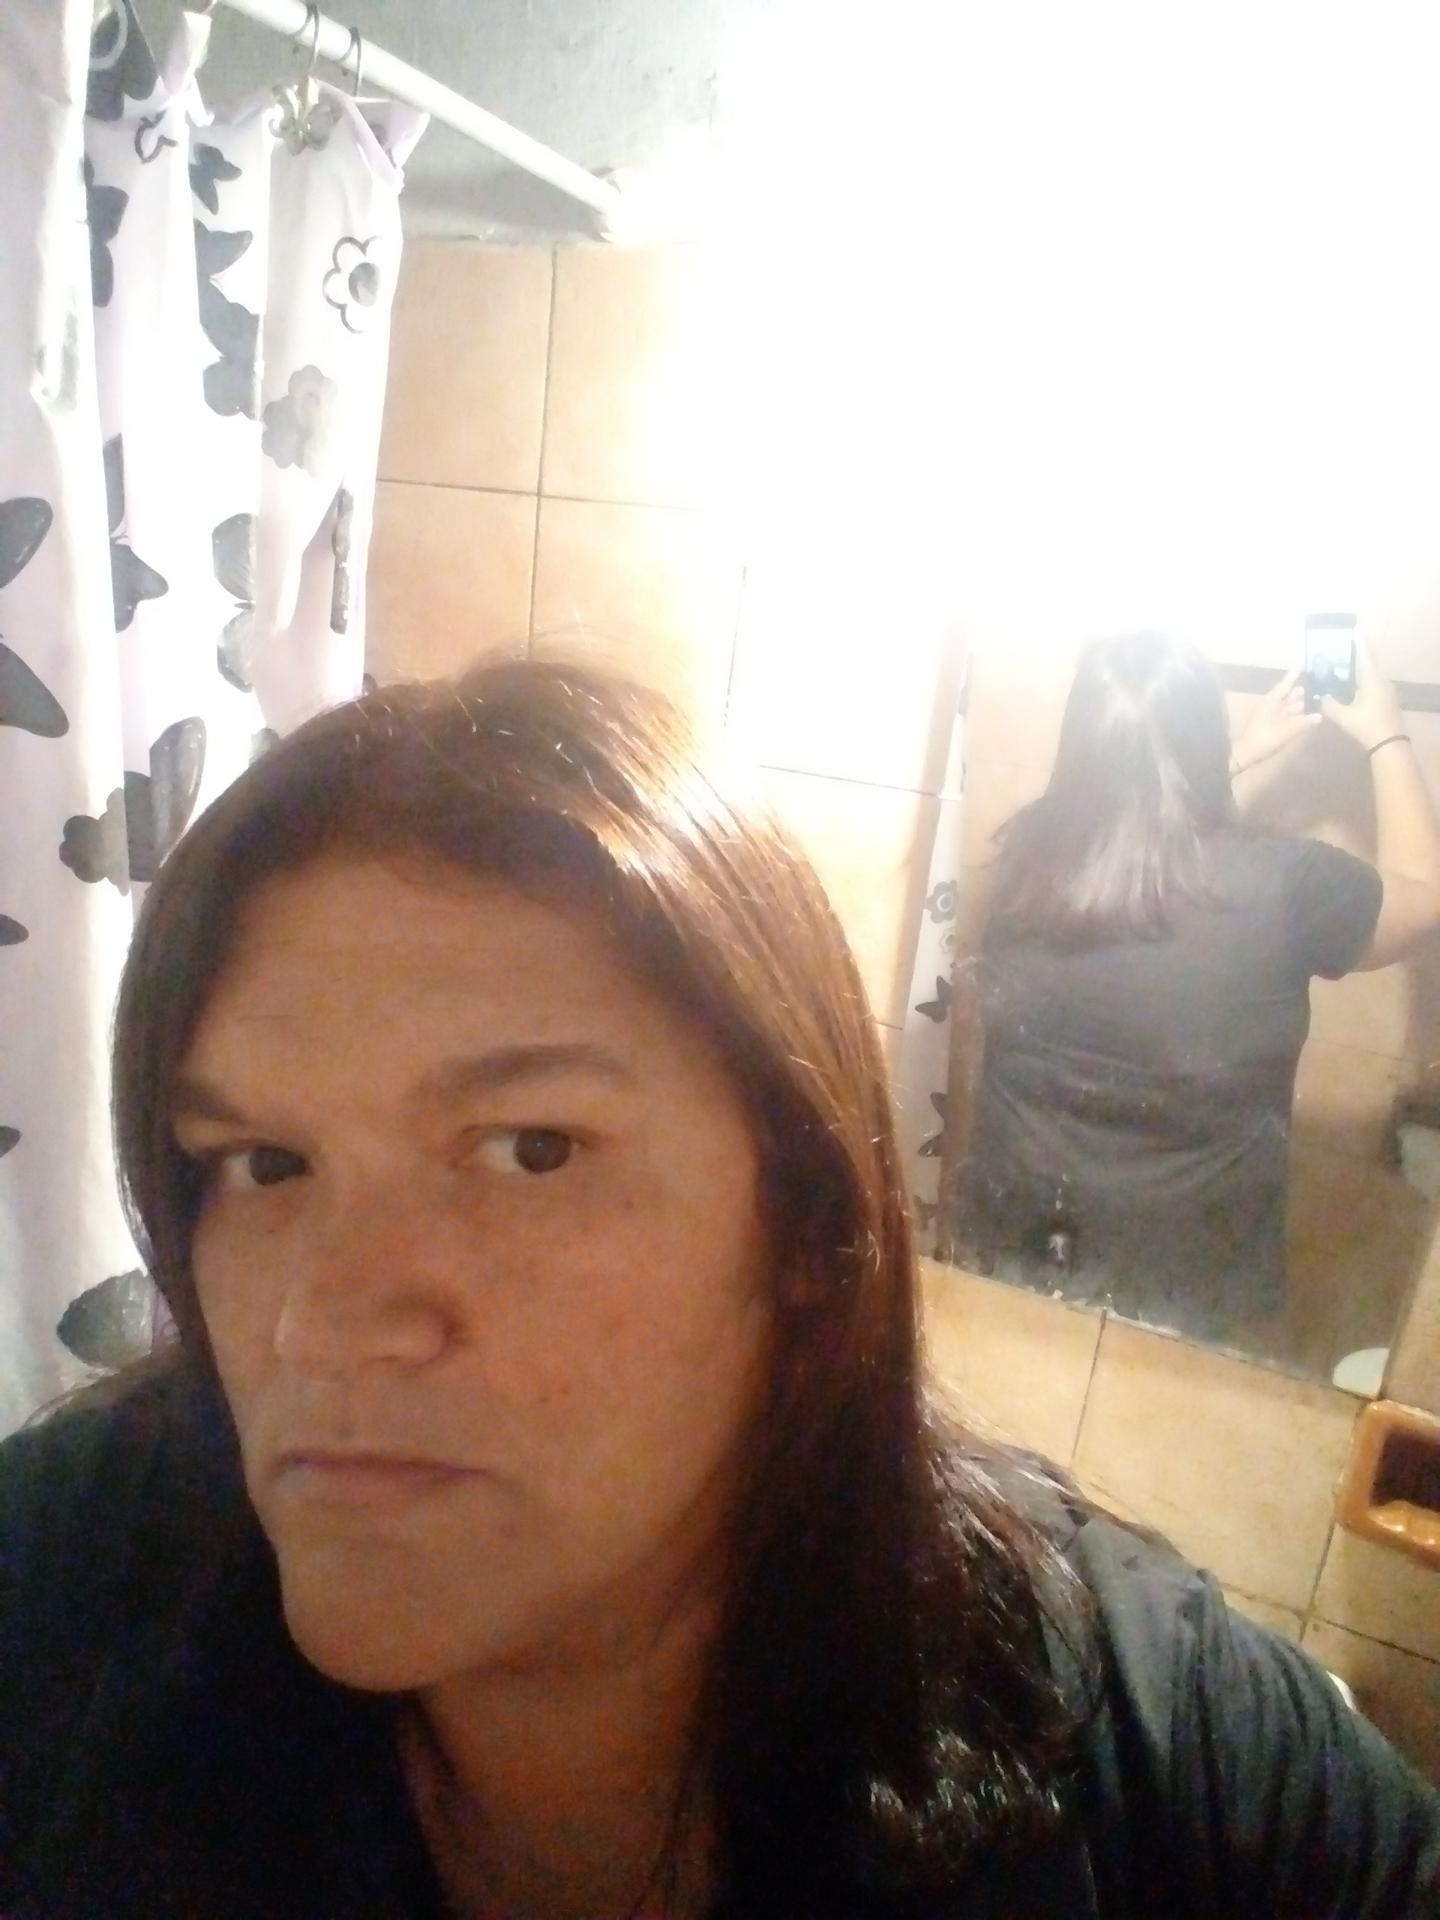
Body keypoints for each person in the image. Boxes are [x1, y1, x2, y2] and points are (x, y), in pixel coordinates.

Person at [1, 657, 1436, 1919]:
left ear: (806, 1221)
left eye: (531, 1149)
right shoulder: (71, 1580)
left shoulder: (1161, 1743)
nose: (314, 1324)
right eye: (262, 1163)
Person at [957, 632, 1440, 1342]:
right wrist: (1385, 733)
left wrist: (1226, 763)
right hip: (1184, 1303)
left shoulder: (1026, 855)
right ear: (1205, 736)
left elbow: (1138, 820)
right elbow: (1423, 898)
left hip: (1015, 1272)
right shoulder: (1290, 887)